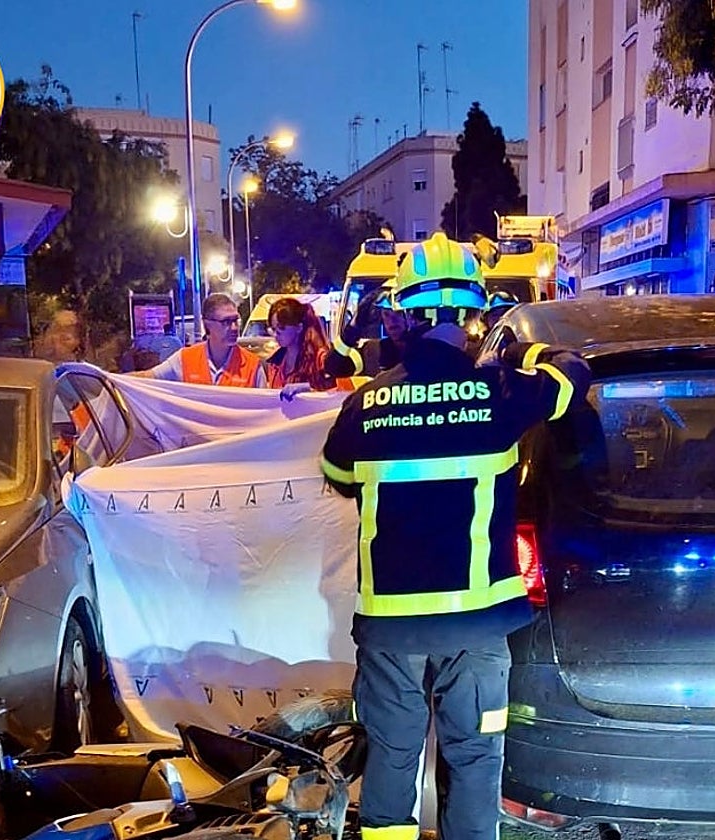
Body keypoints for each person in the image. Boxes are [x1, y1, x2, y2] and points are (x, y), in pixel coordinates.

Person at [319, 231, 591, 840]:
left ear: (403, 315)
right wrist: (524, 353)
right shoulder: (504, 391)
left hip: (391, 625)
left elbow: (336, 475)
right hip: (477, 624)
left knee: (391, 759)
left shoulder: (367, 403)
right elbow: (575, 377)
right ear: (473, 314)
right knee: (473, 761)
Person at [137, 293, 266, 387]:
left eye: (235, 320)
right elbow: (149, 377)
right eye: (226, 321)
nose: (234, 328)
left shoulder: (252, 366)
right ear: (207, 324)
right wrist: (117, 381)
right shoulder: (185, 359)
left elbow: (265, 411)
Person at [326, 279, 409, 383]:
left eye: (398, 313)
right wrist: (353, 328)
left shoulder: (428, 350)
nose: (392, 321)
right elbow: (333, 367)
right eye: (386, 314)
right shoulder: (374, 352)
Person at [263, 297, 335, 398]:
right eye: (273, 329)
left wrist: (309, 390)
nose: (276, 334)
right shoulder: (275, 363)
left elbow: (339, 395)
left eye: (281, 328)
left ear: (299, 328)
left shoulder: (321, 359)